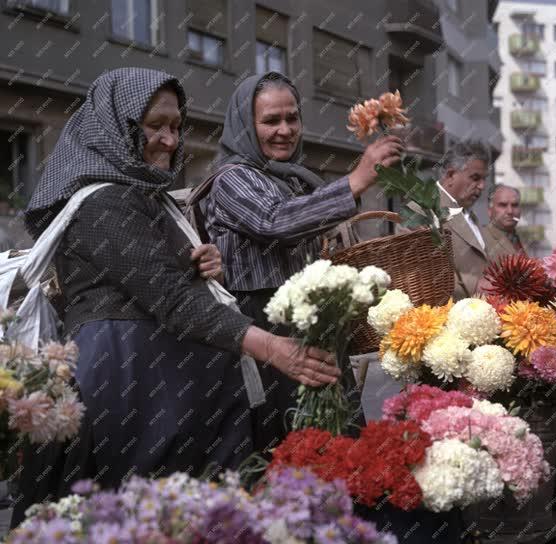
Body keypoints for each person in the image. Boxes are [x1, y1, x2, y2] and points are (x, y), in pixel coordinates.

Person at [12, 68, 340, 525]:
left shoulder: (140, 196)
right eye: (155, 126)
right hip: (130, 391)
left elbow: (149, 277)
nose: (169, 139)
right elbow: (172, 301)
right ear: (117, 127)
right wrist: (276, 348)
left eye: (175, 126)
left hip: (161, 391)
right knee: (137, 519)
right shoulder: (103, 202)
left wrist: (193, 263)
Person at [201, 71, 403, 453]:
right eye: (271, 121)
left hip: (308, 323)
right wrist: (355, 181)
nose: (285, 130)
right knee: (292, 443)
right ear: (246, 124)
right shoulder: (232, 179)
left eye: (292, 118)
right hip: (265, 331)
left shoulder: (291, 178)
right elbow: (276, 221)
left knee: (335, 437)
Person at [436, 140, 491, 300]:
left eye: (484, 179)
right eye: (475, 178)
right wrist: (476, 285)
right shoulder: (423, 209)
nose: (481, 186)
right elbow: (416, 271)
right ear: (450, 175)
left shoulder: (470, 215)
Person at [482, 184, 526, 262]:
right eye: (503, 205)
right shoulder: (480, 238)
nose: (510, 211)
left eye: (515, 205)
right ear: (489, 210)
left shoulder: (524, 238)